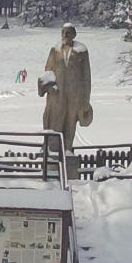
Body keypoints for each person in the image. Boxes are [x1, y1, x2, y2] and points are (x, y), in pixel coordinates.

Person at [41, 23, 93, 167]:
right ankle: (52, 151)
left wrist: (86, 100)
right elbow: (48, 71)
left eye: (68, 33)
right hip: (57, 95)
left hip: (75, 96)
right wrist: (48, 86)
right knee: (54, 122)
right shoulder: (55, 51)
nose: (65, 35)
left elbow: (86, 77)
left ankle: (67, 151)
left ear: (74, 35)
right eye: (63, 32)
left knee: (70, 124)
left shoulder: (81, 51)